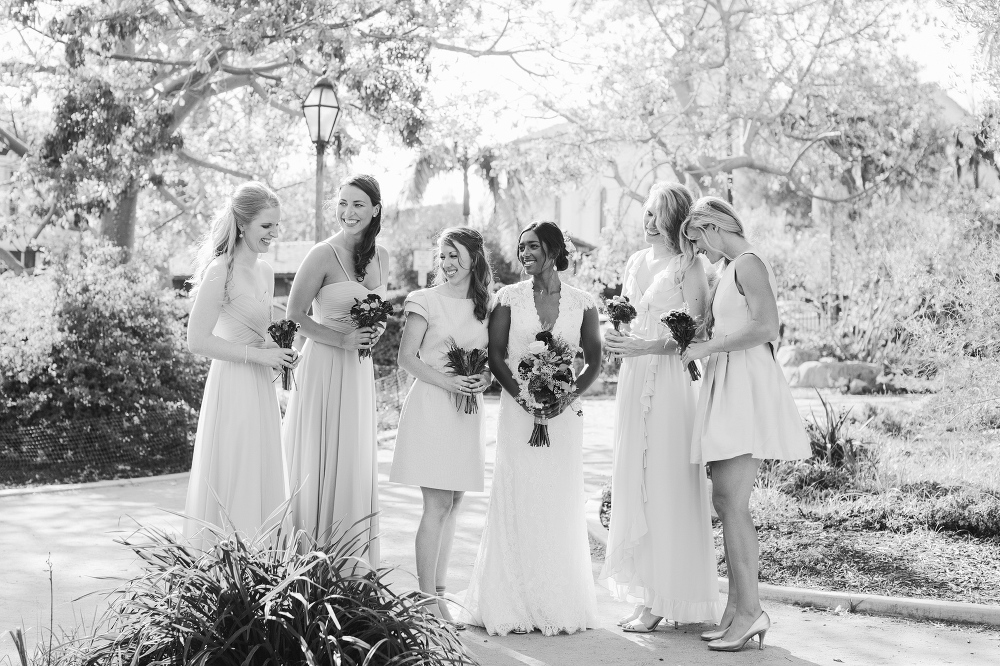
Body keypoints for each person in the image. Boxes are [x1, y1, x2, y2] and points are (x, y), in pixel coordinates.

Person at [680, 196, 810, 652]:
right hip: (731, 384)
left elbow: (767, 326)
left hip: (745, 389)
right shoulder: (732, 269)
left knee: (731, 503)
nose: (700, 250)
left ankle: (751, 611)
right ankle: (736, 610)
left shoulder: (749, 264)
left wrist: (709, 348)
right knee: (726, 500)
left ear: (715, 227)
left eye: (699, 239)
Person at [462, 221, 603, 636]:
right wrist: (523, 398)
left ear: (554, 250)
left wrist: (565, 396)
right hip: (517, 411)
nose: (524, 253)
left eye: (533, 246)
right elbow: (496, 355)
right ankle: (511, 602)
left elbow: (593, 360)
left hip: (563, 418)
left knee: (557, 501)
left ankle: (557, 603)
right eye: (521, 246)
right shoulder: (508, 298)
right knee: (518, 495)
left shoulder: (583, 303)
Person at [600, 182, 723, 632]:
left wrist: (646, 346)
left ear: (674, 222)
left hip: (670, 382)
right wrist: (615, 335)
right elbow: (631, 315)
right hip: (634, 380)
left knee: (666, 481)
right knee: (636, 477)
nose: (647, 222)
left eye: (656, 215)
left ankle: (666, 596)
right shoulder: (636, 262)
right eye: (646, 214)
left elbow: (698, 331)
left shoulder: (691, 265)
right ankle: (646, 591)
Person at [281, 174, 389, 564]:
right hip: (325, 366)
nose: (348, 212)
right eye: (342, 203)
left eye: (358, 204)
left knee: (353, 459)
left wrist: (377, 328)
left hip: (359, 371)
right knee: (319, 458)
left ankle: (350, 562)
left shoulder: (382, 256)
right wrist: (341, 339)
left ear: (375, 210)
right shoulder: (321, 254)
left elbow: (378, 308)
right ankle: (308, 558)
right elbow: (293, 316)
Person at [390, 227, 493, 626]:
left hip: (467, 411)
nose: (447, 263)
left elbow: (490, 358)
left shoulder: (488, 305)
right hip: (433, 405)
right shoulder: (424, 300)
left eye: (455, 255)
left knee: (455, 504)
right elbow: (407, 358)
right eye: (443, 256)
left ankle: (441, 592)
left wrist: (483, 380)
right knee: (435, 504)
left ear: (473, 258)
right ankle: (426, 598)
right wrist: (449, 382)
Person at [184, 181, 296, 547]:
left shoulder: (264, 271)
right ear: (243, 224)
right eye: (267, 226)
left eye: (277, 225)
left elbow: (258, 329)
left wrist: (278, 349)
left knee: (260, 470)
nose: (274, 233)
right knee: (237, 467)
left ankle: (260, 562)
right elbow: (197, 340)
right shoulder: (221, 271)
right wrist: (259, 355)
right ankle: (227, 566)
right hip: (232, 384)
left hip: (261, 385)